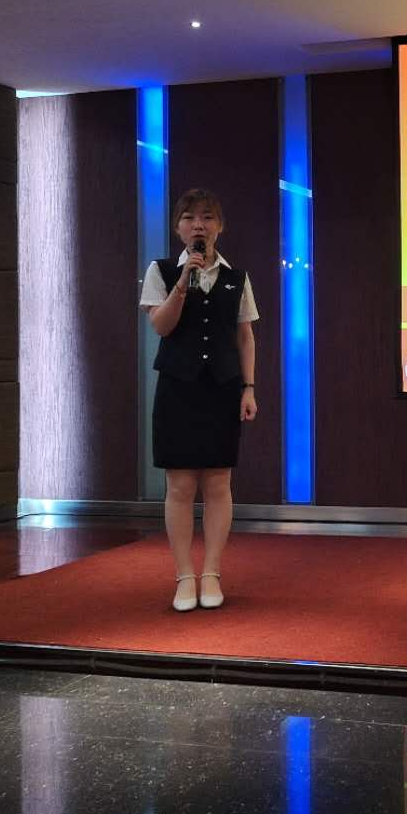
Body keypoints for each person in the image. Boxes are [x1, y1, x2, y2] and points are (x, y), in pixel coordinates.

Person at [139, 189, 259, 611]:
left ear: (219, 227)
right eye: (189, 218)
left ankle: (211, 572)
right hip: (178, 388)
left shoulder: (237, 277)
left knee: (219, 483)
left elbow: (245, 337)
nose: (198, 225)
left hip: (222, 388)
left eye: (207, 218)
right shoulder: (161, 271)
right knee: (180, 485)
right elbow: (161, 326)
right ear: (178, 228)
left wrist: (248, 388)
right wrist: (183, 283)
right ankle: (183, 576)